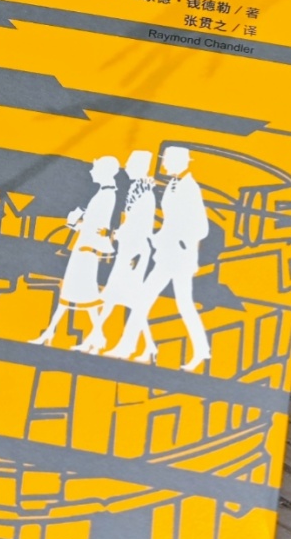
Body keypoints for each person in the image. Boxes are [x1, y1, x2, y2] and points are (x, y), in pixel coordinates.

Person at [106, 145, 212, 371]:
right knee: (145, 299)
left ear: (179, 162)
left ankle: (201, 350)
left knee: (183, 304)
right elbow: (171, 222)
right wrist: (158, 238)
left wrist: (181, 242)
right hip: (167, 255)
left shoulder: (189, 188)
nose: (163, 164)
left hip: (179, 257)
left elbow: (201, 227)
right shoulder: (174, 184)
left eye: (166, 160)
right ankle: (127, 346)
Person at [32, 155, 119, 349]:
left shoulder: (106, 196)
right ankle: (94, 336)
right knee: (78, 292)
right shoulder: (102, 193)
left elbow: (98, 228)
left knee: (77, 292)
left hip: (86, 249)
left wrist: (75, 223)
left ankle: (50, 334)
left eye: (95, 168)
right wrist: (76, 223)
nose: (91, 172)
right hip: (84, 247)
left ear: (104, 172)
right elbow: (93, 226)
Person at [79, 149, 157, 357]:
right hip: (129, 249)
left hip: (134, 253)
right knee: (116, 297)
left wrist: (115, 234)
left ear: (139, 167)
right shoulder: (137, 190)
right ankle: (97, 339)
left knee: (122, 298)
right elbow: (131, 223)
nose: (127, 167)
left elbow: (141, 227)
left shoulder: (145, 195)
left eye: (130, 164)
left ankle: (99, 339)